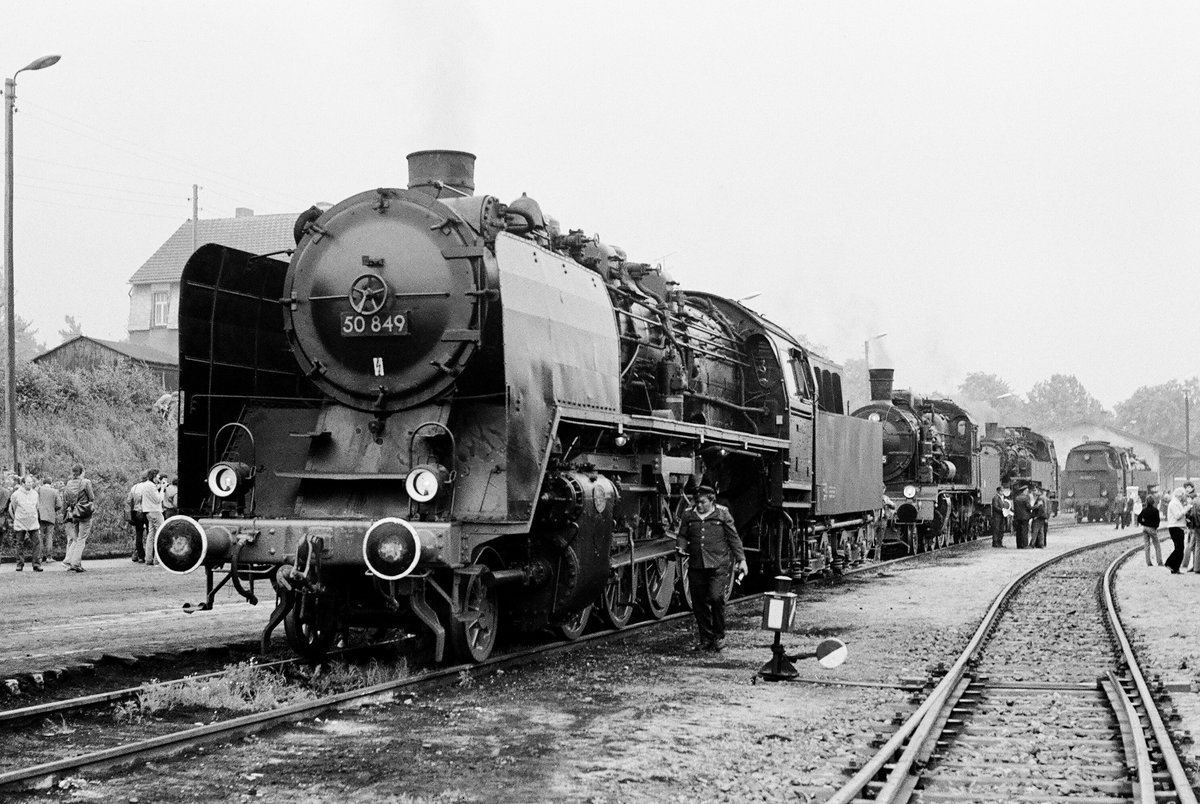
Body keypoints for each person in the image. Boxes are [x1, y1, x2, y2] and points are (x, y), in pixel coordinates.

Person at [677, 485, 747, 652]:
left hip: (717, 565)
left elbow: (733, 537)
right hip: (696, 565)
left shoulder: (722, 514)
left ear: (711, 500)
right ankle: (706, 638)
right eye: (696, 502)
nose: (698, 506)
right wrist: (680, 547)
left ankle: (719, 636)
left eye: (702, 502)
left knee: (716, 598)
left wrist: (741, 559)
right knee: (699, 603)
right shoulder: (689, 514)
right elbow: (682, 535)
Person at [62, 464, 96, 573]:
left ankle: (69, 560)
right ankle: (75, 563)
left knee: (76, 538)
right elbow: (92, 497)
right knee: (82, 539)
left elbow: (65, 499)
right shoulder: (86, 482)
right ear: (82, 472)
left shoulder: (69, 483)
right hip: (84, 512)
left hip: (74, 513)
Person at [9, 475, 41, 571]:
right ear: (23, 484)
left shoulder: (35, 494)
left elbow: (37, 507)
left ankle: (36, 564)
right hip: (20, 522)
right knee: (19, 543)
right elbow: (13, 507)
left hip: (33, 521)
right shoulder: (16, 494)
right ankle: (19, 564)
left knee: (37, 542)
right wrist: (16, 517)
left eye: (31, 482)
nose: (30, 484)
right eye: (28, 482)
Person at [140, 469, 166, 566]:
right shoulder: (151, 486)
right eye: (158, 476)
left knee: (151, 536)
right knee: (160, 534)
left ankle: (148, 558)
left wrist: (159, 486)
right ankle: (157, 559)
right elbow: (158, 499)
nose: (159, 478)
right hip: (156, 511)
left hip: (148, 512)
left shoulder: (145, 485)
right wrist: (162, 489)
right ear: (154, 476)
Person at [1164, 486, 1191, 574]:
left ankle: (1175, 568)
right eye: (1184, 495)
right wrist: (1186, 509)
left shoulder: (1177, 502)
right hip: (1175, 527)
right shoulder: (1174, 503)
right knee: (1179, 549)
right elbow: (1177, 516)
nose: (1185, 496)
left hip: (1177, 527)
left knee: (1179, 548)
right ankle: (1169, 563)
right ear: (1181, 495)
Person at [37, 475, 61, 562]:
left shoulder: (39, 490)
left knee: (39, 536)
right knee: (49, 536)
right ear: (51, 483)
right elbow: (59, 505)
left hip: (40, 515)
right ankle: (49, 557)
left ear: (43, 483)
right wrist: (53, 509)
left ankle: (39, 557)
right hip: (50, 516)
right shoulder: (55, 491)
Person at [1138, 491, 1163, 566]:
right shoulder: (1155, 510)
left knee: (1147, 545)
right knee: (1157, 545)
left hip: (1145, 528)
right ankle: (1159, 562)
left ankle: (1148, 562)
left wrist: (1143, 523)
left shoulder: (1144, 510)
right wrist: (1155, 527)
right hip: (1152, 529)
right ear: (1153, 502)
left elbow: (1139, 519)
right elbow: (1157, 521)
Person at [127, 476, 148, 563]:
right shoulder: (147, 487)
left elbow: (129, 500)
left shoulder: (134, 487)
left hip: (136, 512)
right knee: (150, 533)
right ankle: (151, 554)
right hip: (146, 511)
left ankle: (140, 556)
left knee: (138, 534)